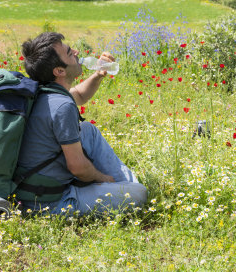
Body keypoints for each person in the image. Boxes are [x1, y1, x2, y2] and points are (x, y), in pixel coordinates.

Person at [17, 32, 147, 216]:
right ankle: (126, 188)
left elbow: (79, 95)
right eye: (70, 53)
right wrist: (104, 179)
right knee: (140, 194)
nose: (77, 52)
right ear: (59, 71)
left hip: (30, 189)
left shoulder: (43, 92)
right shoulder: (62, 106)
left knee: (87, 130)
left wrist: (98, 74)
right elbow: (77, 167)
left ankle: (125, 186)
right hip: (50, 202)